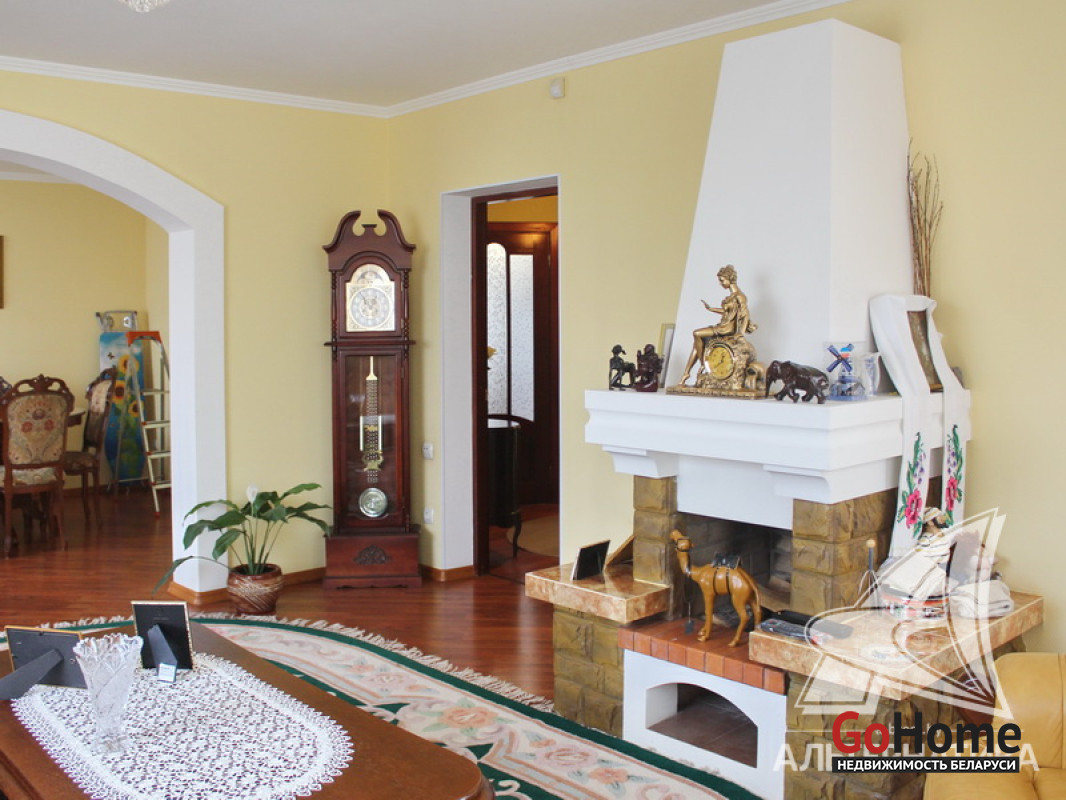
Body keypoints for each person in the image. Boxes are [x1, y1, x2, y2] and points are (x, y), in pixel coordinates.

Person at [680, 264, 757, 385]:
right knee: (696, 344)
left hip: (726, 328)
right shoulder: (731, 296)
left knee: (696, 333)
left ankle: (703, 364)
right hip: (722, 325)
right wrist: (711, 309)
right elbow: (728, 312)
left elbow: (745, 315)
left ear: (730, 279)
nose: (720, 283)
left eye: (722, 280)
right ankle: (686, 374)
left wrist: (740, 333)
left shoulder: (740, 296)